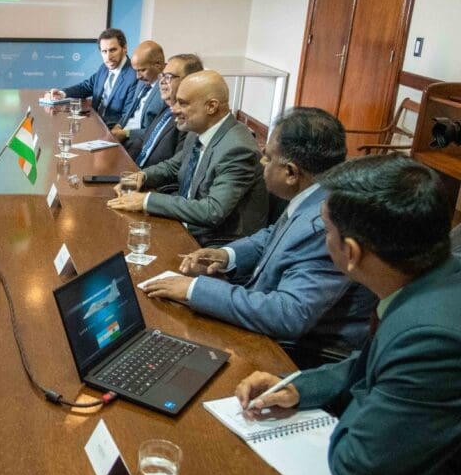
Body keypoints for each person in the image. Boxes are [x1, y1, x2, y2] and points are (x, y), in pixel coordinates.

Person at [235, 155, 461, 475]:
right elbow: (372, 361)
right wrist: (300, 386)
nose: (323, 240)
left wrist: (360, 396)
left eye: (327, 231)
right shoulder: (439, 276)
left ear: (352, 252)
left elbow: (360, 471)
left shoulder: (430, 339)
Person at [142, 107, 375, 360]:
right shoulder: (316, 194)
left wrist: (194, 290)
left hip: (296, 351)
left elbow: (289, 315)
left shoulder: (324, 223)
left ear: (291, 172)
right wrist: (227, 255)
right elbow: (274, 235)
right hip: (265, 313)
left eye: (268, 157)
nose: (262, 163)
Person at [107, 70, 267, 247]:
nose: (174, 109)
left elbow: (212, 211)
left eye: (182, 103)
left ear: (211, 107)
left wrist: (146, 201)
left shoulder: (238, 149)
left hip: (214, 244)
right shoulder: (198, 129)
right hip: (185, 225)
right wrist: (141, 176)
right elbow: (174, 166)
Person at [43, 28, 138, 128]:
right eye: (104, 51)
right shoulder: (104, 68)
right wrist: (62, 94)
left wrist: (92, 123)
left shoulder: (134, 76)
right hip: (94, 122)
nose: (108, 57)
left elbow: (126, 117)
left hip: (110, 129)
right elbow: (86, 87)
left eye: (113, 50)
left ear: (124, 48)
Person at [127, 53, 203, 170]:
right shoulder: (167, 107)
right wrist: (126, 162)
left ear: (189, 81)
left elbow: (176, 169)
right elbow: (143, 140)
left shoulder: (189, 121)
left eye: (168, 77)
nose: (162, 81)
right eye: (162, 76)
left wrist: (139, 176)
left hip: (150, 178)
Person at [112, 41, 166, 146]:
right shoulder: (143, 81)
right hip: (122, 135)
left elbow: (159, 131)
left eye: (142, 70)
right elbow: (130, 111)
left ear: (158, 64)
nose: (138, 76)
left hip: (138, 142)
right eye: (136, 70)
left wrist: (126, 134)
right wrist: (118, 126)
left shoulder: (167, 90)